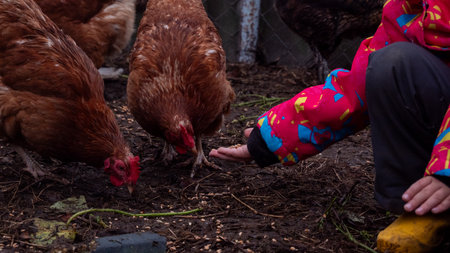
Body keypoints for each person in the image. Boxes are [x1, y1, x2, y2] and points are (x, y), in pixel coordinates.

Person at [210, 0, 450, 251]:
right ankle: (421, 206)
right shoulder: (410, 8)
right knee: (391, 63)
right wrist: (271, 137)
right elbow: (354, 89)